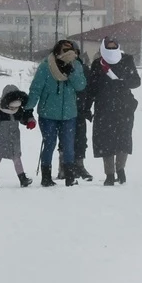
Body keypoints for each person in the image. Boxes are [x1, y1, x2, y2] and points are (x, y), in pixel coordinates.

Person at [25, 39, 86, 187]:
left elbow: (81, 86)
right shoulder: (46, 66)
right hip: (48, 115)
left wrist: (71, 72)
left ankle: (70, 177)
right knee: (50, 144)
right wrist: (28, 109)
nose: (68, 53)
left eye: (70, 50)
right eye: (65, 50)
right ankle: (46, 177)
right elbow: (36, 89)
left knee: (68, 146)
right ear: (57, 50)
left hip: (69, 114)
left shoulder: (76, 65)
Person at [84, 36, 141, 186]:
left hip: (124, 107)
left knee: (123, 140)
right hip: (104, 108)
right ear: (103, 47)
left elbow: (136, 81)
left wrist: (122, 83)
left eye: (113, 46)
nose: (111, 49)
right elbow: (92, 88)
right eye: (108, 47)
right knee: (105, 141)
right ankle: (109, 174)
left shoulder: (127, 60)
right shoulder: (98, 64)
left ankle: (120, 169)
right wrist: (86, 107)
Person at [0, 83, 37, 188]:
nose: (14, 109)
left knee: (17, 158)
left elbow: (24, 118)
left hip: (14, 140)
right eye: (12, 107)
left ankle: (22, 179)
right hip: (0, 141)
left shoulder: (18, 111)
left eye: (16, 107)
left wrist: (30, 121)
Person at [57, 42, 95, 182]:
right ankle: (63, 167)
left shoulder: (84, 68)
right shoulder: (58, 66)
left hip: (79, 109)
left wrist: (87, 107)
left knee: (81, 138)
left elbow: (89, 90)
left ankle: (79, 165)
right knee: (64, 138)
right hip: (64, 109)